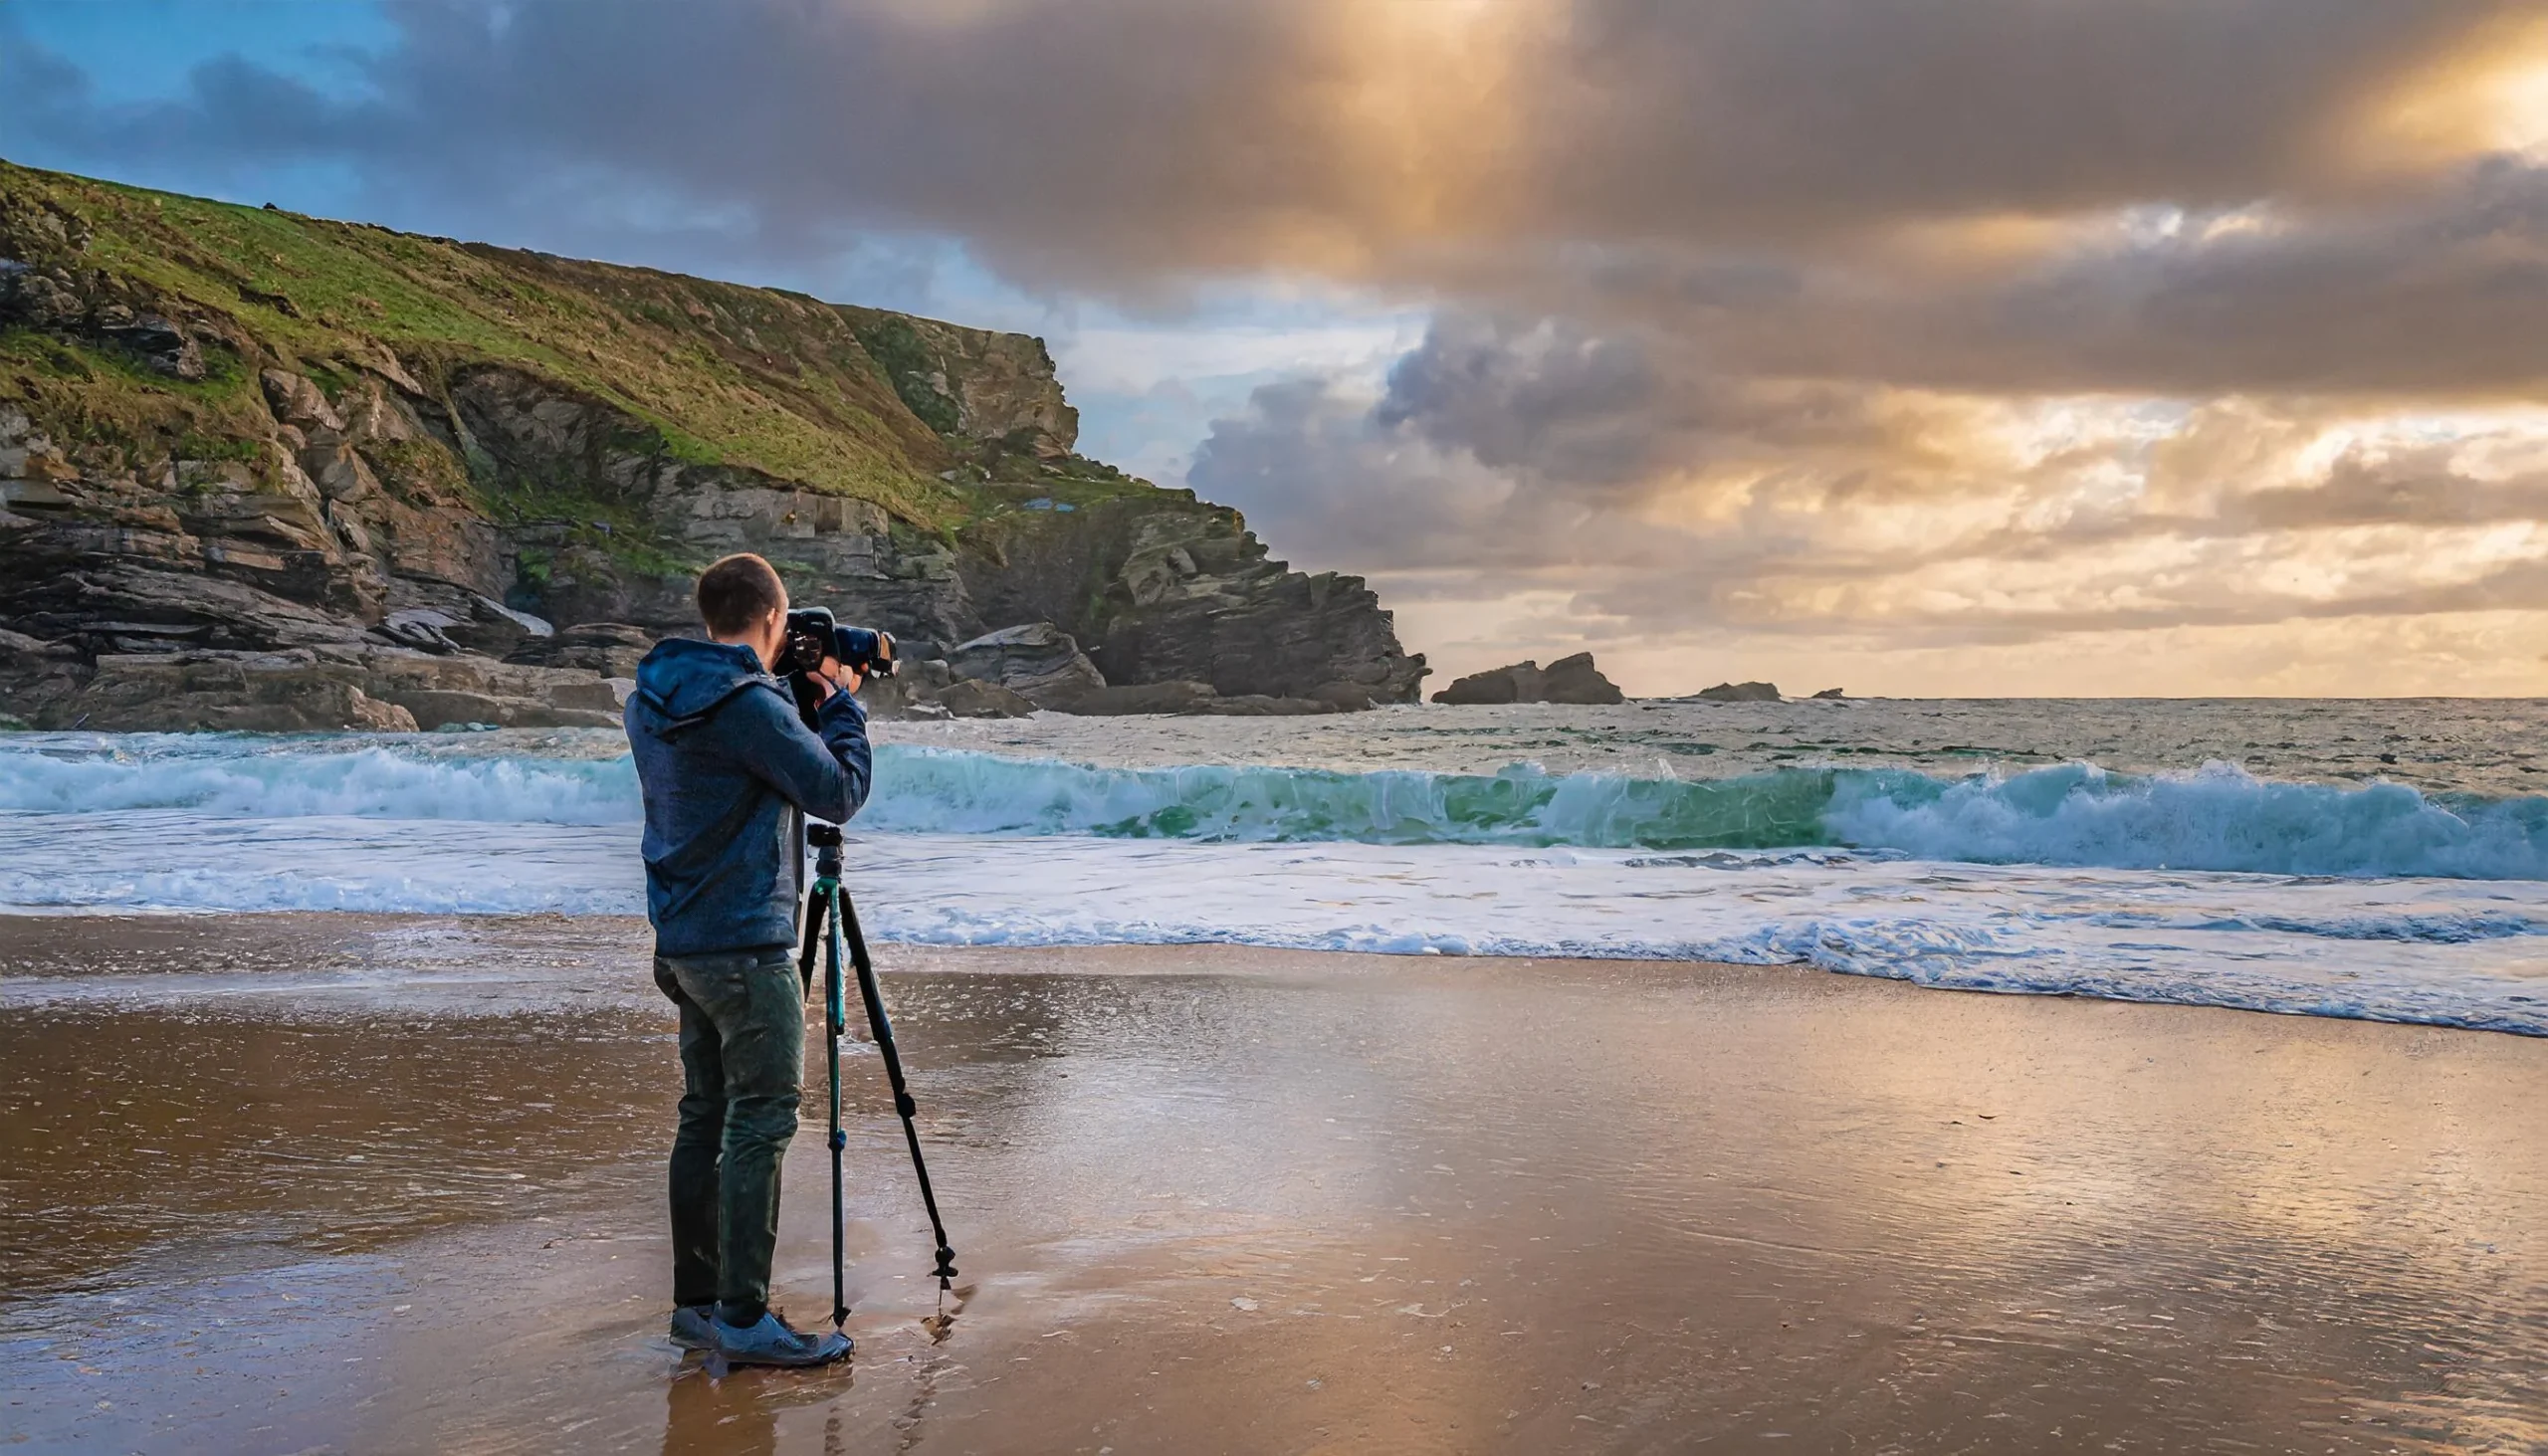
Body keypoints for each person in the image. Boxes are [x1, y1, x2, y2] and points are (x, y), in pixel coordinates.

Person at [626, 552, 873, 1367]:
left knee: (705, 1114)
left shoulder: (656, 693)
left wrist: (791, 702)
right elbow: (833, 792)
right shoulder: (748, 702)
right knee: (761, 1117)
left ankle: (698, 1306)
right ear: (773, 617)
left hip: (684, 936)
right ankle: (743, 1316)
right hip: (747, 943)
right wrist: (841, 711)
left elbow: (741, 768)